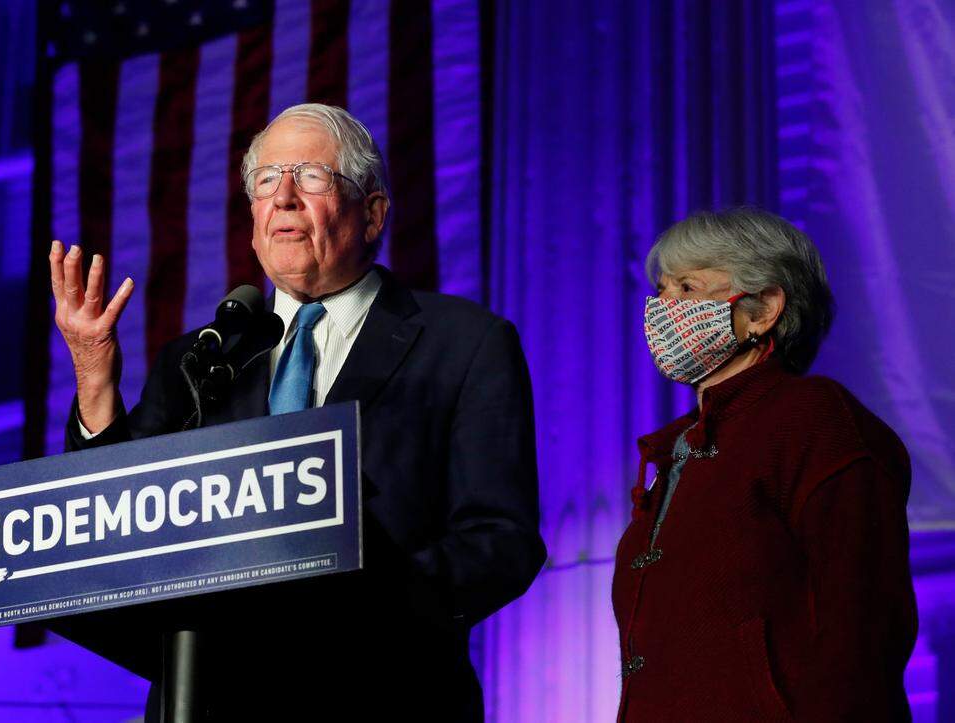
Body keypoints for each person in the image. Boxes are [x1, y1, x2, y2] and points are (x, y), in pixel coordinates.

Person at [48, 103, 546, 721]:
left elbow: (501, 541)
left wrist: (363, 603)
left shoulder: (465, 344)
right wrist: (94, 379)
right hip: (211, 698)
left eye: (311, 176)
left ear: (373, 214)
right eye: (265, 180)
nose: (283, 197)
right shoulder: (200, 360)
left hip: (385, 693)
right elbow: (117, 524)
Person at [613, 207, 917, 722]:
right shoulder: (678, 452)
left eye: (687, 289)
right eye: (661, 290)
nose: (663, 308)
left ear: (762, 310)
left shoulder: (813, 418)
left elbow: (861, 622)